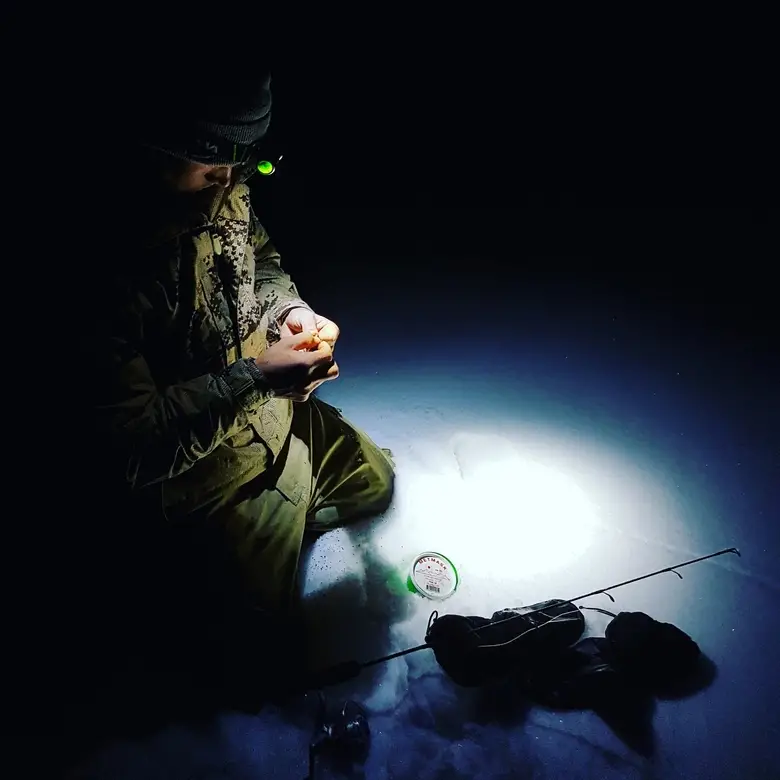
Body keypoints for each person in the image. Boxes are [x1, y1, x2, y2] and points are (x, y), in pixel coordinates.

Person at [78, 63, 395, 648]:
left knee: (376, 483)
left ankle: (286, 522)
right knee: (251, 649)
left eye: (239, 168)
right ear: (156, 152)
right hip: (203, 486)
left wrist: (288, 314)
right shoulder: (103, 267)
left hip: (274, 422)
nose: (227, 186)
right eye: (209, 172)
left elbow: (261, 260)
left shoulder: (228, 186)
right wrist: (257, 380)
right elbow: (130, 446)